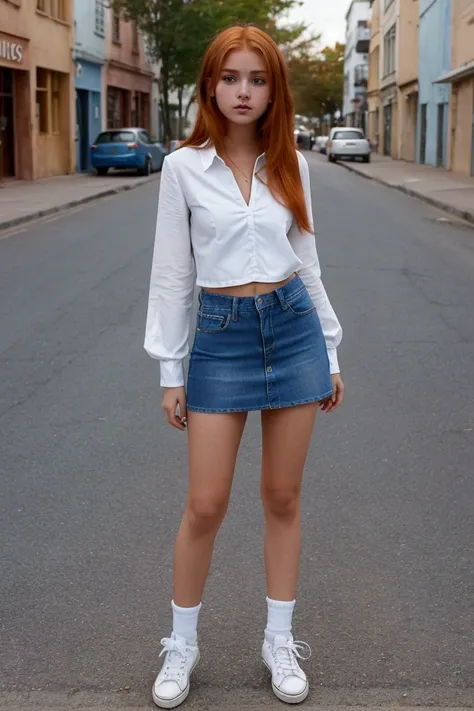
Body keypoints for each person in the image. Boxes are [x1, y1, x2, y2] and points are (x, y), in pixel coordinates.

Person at [144, 24, 344, 709]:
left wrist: (331, 347)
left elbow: (308, 263)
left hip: (292, 331)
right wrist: (172, 369)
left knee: (283, 497)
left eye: (257, 79)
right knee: (205, 503)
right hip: (221, 337)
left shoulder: (292, 163)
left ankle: (278, 638)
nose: (243, 91)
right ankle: (182, 644)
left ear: (273, 90)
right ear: (209, 84)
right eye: (231, 77)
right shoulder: (182, 168)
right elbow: (172, 275)